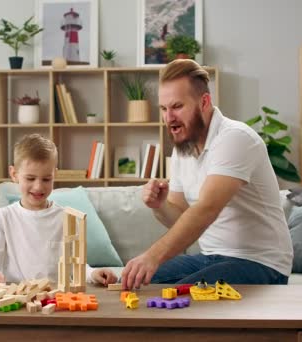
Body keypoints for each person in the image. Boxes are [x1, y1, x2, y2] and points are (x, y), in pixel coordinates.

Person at [121, 59, 293, 290]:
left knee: (177, 299)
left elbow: (207, 208)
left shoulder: (235, 139)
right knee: (134, 285)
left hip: (261, 263)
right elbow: (180, 216)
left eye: (177, 106)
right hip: (212, 257)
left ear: (204, 102)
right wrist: (160, 205)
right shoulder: (184, 147)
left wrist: (152, 255)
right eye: (163, 109)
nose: (169, 117)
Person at [0, 133, 117, 286]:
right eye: (30, 178)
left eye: (46, 179)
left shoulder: (66, 218)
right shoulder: (3, 217)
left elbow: (76, 267)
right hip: (16, 298)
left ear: (54, 175)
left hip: (54, 299)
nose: (38, 186)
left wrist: (94, 274)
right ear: (14, 174)